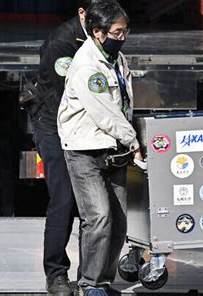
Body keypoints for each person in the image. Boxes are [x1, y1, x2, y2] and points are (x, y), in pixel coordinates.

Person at [57, 2, 141, 295]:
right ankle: (89, 284)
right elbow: (104, 112)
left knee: (119, 221)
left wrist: (129, 139)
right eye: (117, 32)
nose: (123, 37)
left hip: (113, 147)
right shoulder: (87, 65)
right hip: (85, 149)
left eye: (125, 31)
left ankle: (103, 280)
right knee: (99, 217)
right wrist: (134, 142)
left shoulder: (115, 58)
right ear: (97, 32)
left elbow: (125, 102)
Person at [29, 1, 105, 294]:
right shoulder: (61, 43)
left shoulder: (106, 34)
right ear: (82, 12)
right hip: (56, 126)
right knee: (63, 201)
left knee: (95, 207)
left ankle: (92, 276)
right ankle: (56, 274)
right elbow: (70, 96)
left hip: (88, 127)